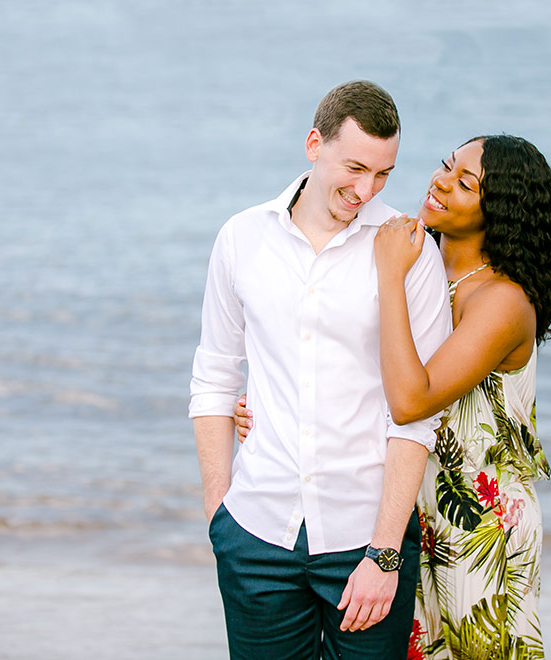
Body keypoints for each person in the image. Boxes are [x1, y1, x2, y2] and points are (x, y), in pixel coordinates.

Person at [237, 134, 551, 659]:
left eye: (465, 183)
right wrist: (269, 411)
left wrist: (389, 275)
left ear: (499, 212)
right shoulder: (427, 264)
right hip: (401, 513)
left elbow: (412, 401)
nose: (441, 181)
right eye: (446, 165)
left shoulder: (502, 300)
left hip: (476, 523)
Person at [188, 80, 452, 660]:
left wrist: (385, 553)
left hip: (365, 541)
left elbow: (416, 416)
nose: (366, 189)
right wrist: (220, 514)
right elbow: (213, 379)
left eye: (383, 174)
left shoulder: (409, 252)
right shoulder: (242, 238)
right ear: (315, 144)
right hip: (255, 534)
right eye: (355, 167)